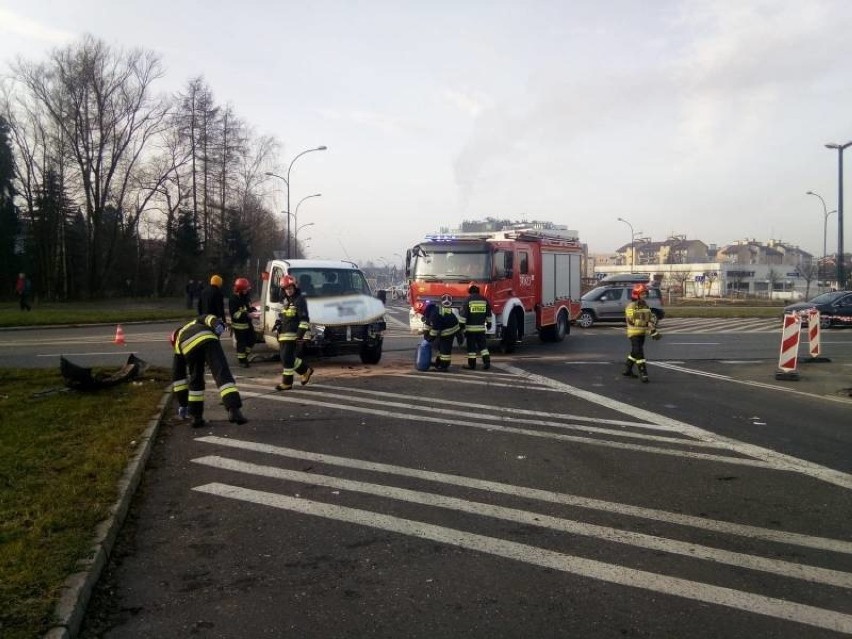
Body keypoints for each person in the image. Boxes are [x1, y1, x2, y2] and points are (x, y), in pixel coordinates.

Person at [171, 314, 248, 428]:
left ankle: (195, 417)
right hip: (208, 340)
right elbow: (208, 317)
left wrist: (183, 404)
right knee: (221, 372)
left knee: (195, 378)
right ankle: (234, 410)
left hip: (188, 349)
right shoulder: (194, 322)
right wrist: (216, 324)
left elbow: (179, 380)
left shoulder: (178, 344)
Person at [274, 274, 314, 390]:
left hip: (293, 335)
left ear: (295, 287)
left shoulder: (299, 300)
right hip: (283, 335)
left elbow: (305, 319)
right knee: (286, 358)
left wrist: (299, 335)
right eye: (286, 289)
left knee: (287, 357)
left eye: (290, 288)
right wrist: (278, 325)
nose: (288, 291)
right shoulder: (286, 301)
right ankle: (305, 370)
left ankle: (287, 383)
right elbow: (282, 317)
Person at [623, 283, 661, 383]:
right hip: (633, 333)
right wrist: (646, 323)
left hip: (642, 333)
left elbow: (650, 317)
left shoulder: (645, 305)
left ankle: (627, 369)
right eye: (642, 294)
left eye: (645, 293)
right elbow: (631, 320)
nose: (644, 296)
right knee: (639, 352)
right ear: (637, 294)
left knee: (635, 351)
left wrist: (653, 329)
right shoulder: (631, 306)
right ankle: (643, 373)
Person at [458, 284, 492, 370]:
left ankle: (472, 365)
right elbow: (488, 314)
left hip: (470, 330)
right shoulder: (484, 300)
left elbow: (463, 315)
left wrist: (461, 326)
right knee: (483, 347)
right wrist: (489, 323)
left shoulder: (467, 300)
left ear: (470, 292)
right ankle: (487, 362)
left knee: (471, 348)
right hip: (481, 329)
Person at [423, 298, 460, 370]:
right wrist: (425, 334)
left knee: (445, 348)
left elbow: (435, 330)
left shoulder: (434, 315)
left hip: (450, 329)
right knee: (440, 346)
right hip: (447, 326)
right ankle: (438, 362)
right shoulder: (433, 311)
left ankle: (444, 366)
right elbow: (428, 324)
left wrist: (429, 338)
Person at [229, 277, 256, 368]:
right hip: (239, 326)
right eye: (245, 289)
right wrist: (247, 314)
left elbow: (248, 308)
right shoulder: (233, 299)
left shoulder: (246, 297)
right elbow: (235, 315)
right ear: (239, 290)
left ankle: (245, 355)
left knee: (252, 339)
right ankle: (242, 360)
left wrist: (253, 310)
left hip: (248, 324)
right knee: (241, 344)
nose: (247, 291)